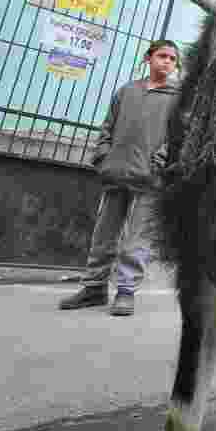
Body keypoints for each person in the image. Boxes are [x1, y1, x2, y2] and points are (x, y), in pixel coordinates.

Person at [59, 40, 182, 317]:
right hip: (115, 173)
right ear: (148, 58)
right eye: (162, 56)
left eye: (173, 59)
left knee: (136, 240)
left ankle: (126, 292)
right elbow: (107, 127)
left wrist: (159, 164)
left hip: (150, 179)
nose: (167, 62)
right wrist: (103, 156)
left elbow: (177, 137)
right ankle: (94, 288)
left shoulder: (178, 98)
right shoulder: (127, 91)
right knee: (103, 235)